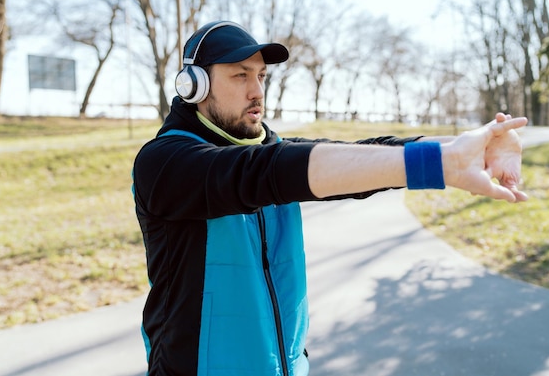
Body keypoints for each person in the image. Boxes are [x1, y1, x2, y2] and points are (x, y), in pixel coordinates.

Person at [132, 20, 528, 376]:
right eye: (240, 76)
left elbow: (360, 153)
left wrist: (464, 149)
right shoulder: (165, 164)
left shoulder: (271, 150)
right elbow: (263, 173)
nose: (256, 91)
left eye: (261, 76)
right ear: (194, 86)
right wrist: (439, 163)